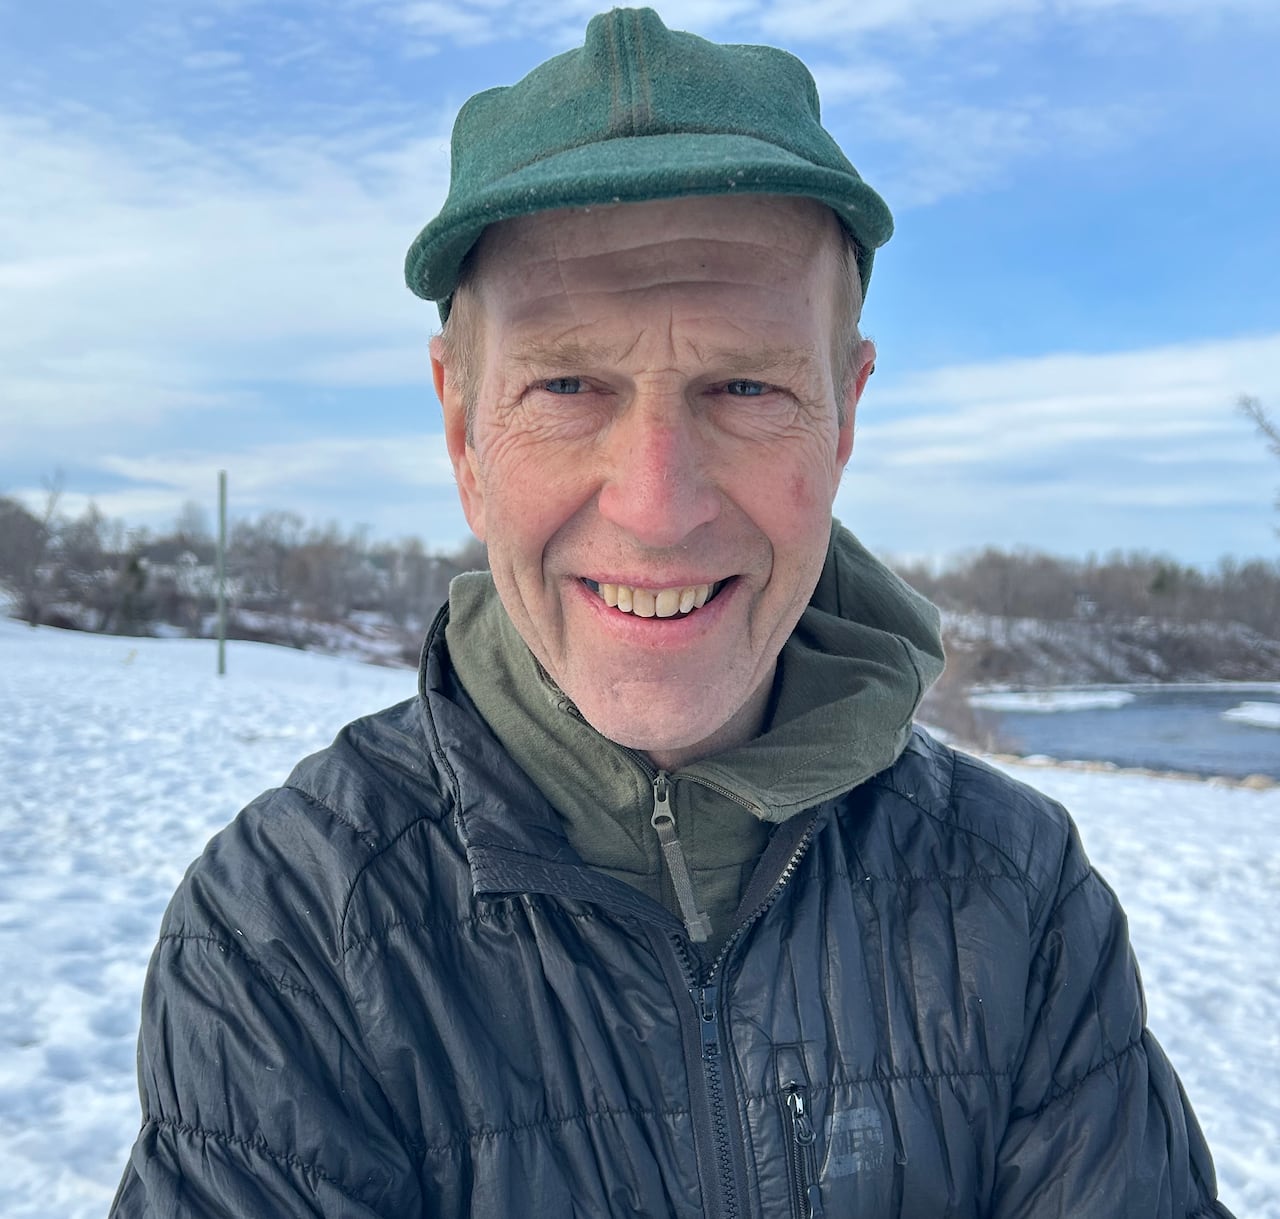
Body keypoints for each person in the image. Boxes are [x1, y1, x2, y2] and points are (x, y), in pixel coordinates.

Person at [112, 9, 1233, 1217]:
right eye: (566, 385)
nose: (656, 508)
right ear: (461, 427)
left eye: (744, 384)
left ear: (843, 415)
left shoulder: (1016, 895)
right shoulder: (287, 932)